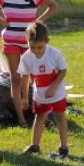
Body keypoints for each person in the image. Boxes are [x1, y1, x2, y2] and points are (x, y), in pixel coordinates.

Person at [19, 21, 69, 157]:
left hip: (56, 92)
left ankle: (63, 147)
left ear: (46, 41)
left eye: (39, 47)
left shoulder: (54, 54)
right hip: (39, 93)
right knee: (40, 116)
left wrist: (53, 88)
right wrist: (24, 97)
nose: (36, 51)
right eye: (32, 47)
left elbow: (63, 71)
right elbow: (25, 76)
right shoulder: (26, 57)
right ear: (27, 42)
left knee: (59, 117)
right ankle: (34, 145)